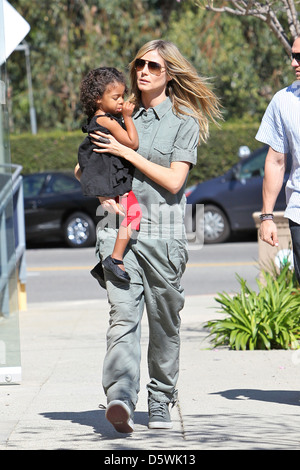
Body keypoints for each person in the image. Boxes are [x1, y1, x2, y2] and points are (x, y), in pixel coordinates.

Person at [87, 39, 221, 433]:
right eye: (139, 64)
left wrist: (126, 153)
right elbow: (85, 165)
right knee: (122, 319)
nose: (143, 71)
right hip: (118, 236)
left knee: (165, 325)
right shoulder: (120, 114)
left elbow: (175, 180)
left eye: (153, 66)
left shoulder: (185, 122)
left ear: (169, 74)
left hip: (164, 238)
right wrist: (99, 190)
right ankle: (120, 397)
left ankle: (161, 399)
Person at [77, 67, 142, 283]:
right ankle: (114, 259)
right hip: (114, 181)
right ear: (98, 99)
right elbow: (132, 143)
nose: (121, 102)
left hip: (108, 179)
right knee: (134, 215)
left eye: (122, 96)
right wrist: (127, 117)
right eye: (116, 97)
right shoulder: (106, 120)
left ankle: (102, 266)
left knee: (127, 216)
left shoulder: (96, 120)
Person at [256, 36, 300, 283]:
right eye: (293, 55)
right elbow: (275, 161)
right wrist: (267, 216)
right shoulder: (283, 101)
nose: (294, 63)